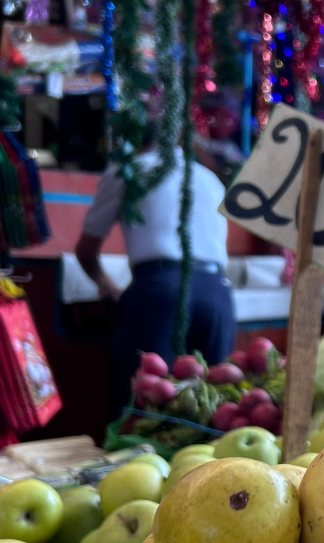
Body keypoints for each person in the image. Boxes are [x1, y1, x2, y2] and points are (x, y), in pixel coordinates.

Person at [76, 124, 235, 420]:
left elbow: (86, 251)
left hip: (160, 291)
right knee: (214, 411)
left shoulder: (127, 170)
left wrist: (106, 285)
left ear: (137, 145)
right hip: (217, 296)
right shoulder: (209, 178)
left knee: (141, 411)